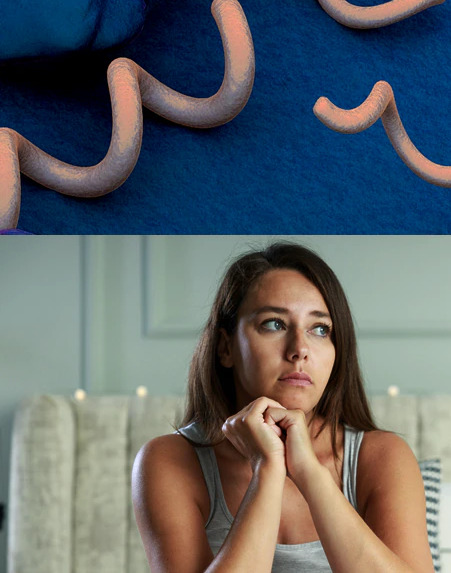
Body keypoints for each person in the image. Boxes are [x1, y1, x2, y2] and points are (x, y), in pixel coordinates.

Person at [132, 243, 434, 573]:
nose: (300, 350)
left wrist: (307, 472)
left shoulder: (381, 457)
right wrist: (268, 468)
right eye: (274, 324)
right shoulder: (169, 460)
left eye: (320, 329)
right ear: (225, 348)